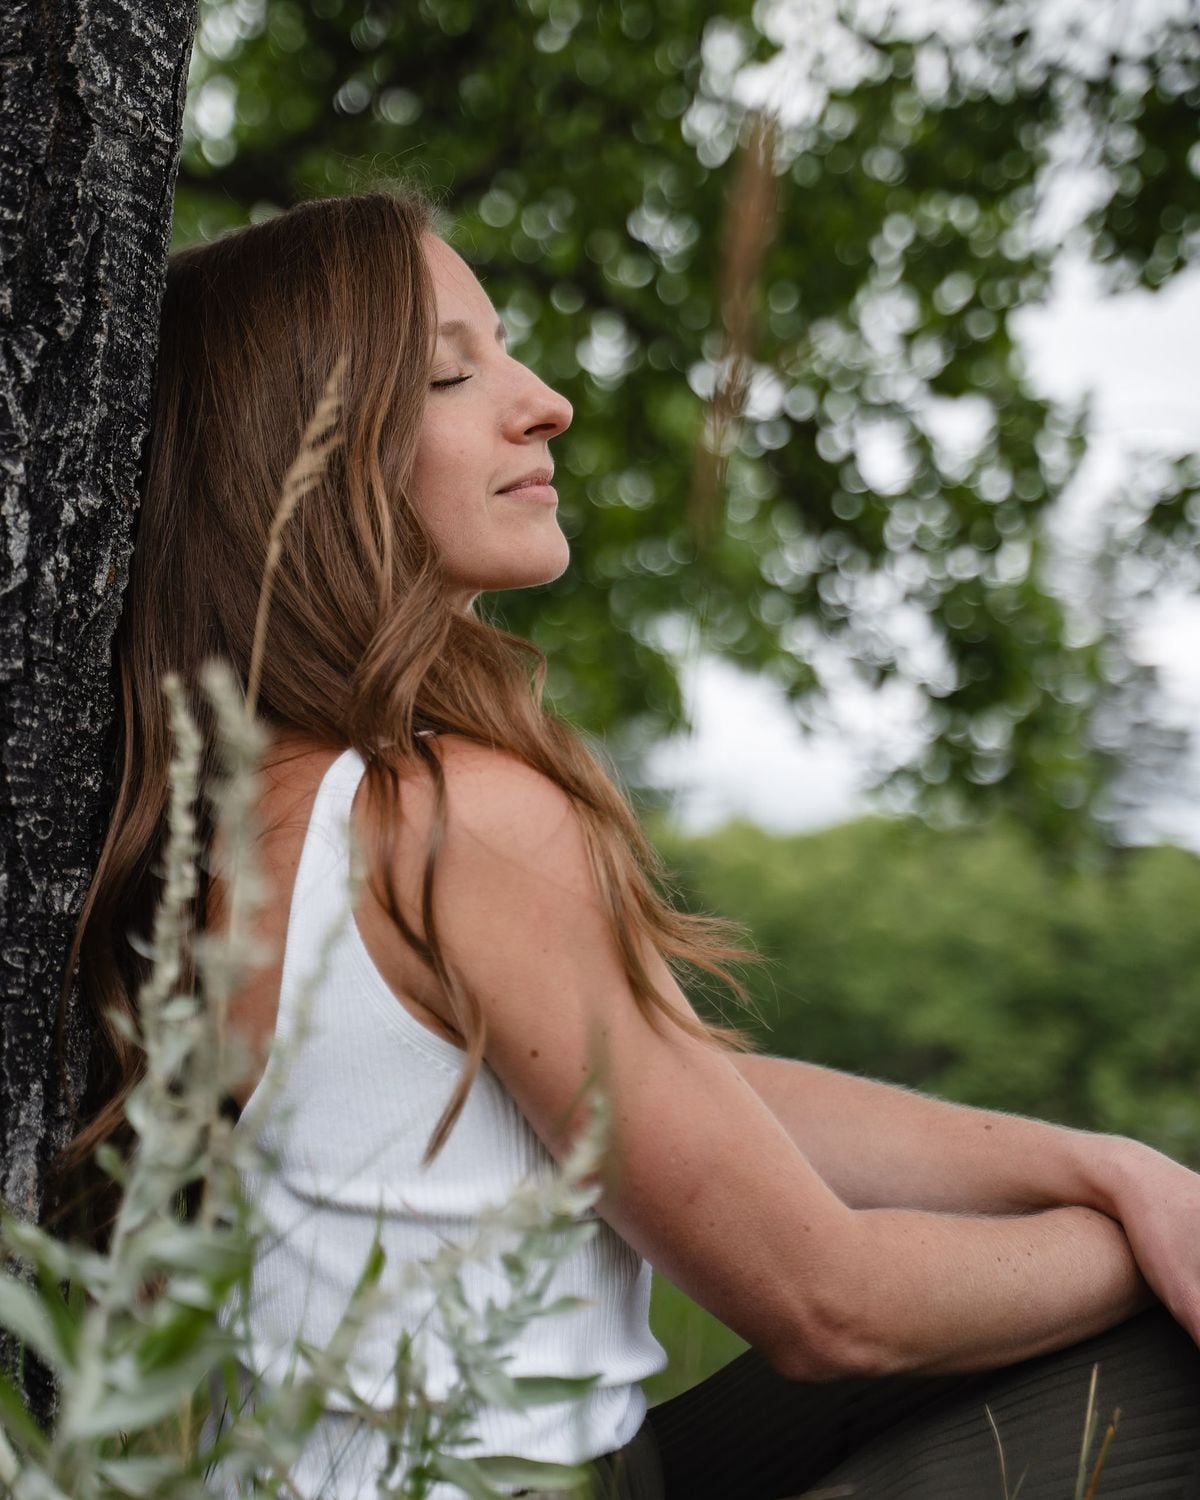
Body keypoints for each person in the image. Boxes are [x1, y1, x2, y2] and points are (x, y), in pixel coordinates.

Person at [57, 185, 1200, 1499]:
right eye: (446, 373)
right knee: (1164, 1360)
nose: (546, 401)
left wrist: (1110, 1171)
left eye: (509, 348)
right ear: (298, 456)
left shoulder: (241, 810)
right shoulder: (443, 816)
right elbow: (828, 1304)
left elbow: (687, 1110)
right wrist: (1159, 1241)